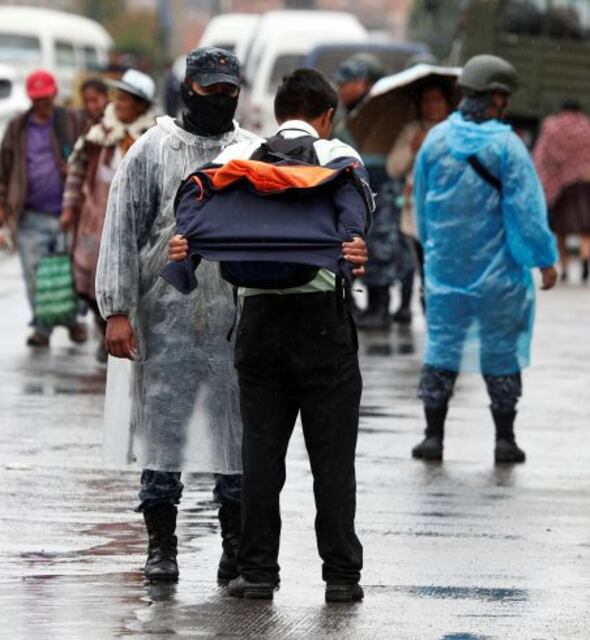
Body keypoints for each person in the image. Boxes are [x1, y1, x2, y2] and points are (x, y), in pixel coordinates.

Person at [168, 68, 372, 603]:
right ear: (326, 116)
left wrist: (185, 241)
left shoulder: (240, 158)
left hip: (258, 327)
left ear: (280, 111)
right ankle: (341, 577)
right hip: (322, 326)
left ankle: (258, 573)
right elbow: (356, 207)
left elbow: (192, 196)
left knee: (260, 459)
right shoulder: (335, 155)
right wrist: (352, 239)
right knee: (332, 463)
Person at [96, 47, 257, 584]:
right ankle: (161, 547)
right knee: (161, 434)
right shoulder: (149, 151)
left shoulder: (254, 153)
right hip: (163, 323)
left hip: (234, 324)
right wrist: (116, 311)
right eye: (209, 89)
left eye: (228, 90)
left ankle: (235, 549)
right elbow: (120, 233)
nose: (219, 99)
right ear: (188, 87)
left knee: (235, 440)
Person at [410, 54, 559, 463]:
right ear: (495, 98)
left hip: (445, 272)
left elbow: (421, 208)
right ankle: (504, 440)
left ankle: (433, 437)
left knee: (441, 348)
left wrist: (433, 252)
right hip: (499, 276)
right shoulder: (508, 146)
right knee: (500, 351)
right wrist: (544, 260)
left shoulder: (435, 141)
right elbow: (527, 212)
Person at [61, 69, 158, 362]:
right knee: (89, 278)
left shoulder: (152, 139)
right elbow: (77, 171)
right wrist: (69, 206)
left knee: (130, 276)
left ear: (141, 105)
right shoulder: (98, 133)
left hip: (135, 226)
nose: (118, 103)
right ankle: (103, 325)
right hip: (95, 219)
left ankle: (126, 331)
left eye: (126, 99)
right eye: (118, 97)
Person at [0, 69, 87, 348]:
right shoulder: (18, 127)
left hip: (68, 214)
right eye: (36, 99)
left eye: (45, 98)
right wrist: (2, 206)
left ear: (53, 95)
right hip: (29, 215)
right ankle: (42, 328)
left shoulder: (69, 122)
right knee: (34, 275)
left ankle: (74, 321)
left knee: (70, 274)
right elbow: (3, 168)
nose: (41, 104)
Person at [334, 54, 402, 330]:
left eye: (348, 83)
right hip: (354, 185)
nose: (342, 89)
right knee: (355, 244)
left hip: (380, 186)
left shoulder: (383, 112)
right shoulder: (346, 114)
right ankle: (361, 303)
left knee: (381, 246)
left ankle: (380, 306)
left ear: (364, 84)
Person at [386, 80, 453, 323]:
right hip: (418, 211)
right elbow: (393, 168)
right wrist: (412, 149)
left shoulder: (458, 130)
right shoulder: (412, 131)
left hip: (450, 211)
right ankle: (430, 315)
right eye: (426, 101)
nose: (432, 106)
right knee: (424, 265)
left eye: (437, 100)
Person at [532, 99, 590, 283]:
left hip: (563, 186)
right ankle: (585, 257)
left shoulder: (552, 126)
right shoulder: (587, 127)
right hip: (589, 183)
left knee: (561, 230)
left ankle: (565, 268)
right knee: (586, 228)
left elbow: (541, 157)